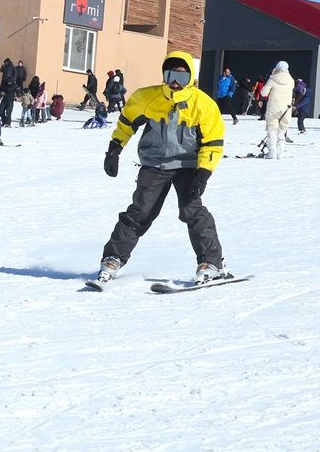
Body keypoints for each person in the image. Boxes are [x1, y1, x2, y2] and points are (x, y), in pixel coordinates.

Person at [95, 51, 227, 286]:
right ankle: (113, 257)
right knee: (141, 211)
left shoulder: (203, 104)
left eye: (182, 77)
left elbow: (213, 142)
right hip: (154, 164)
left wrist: (204, 173)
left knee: (192, 210)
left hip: (189, 166)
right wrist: (114, 149)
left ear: (191, 78)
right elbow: (126, 123)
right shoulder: (148, 97)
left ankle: (211, 262)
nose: (176, 82)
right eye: (170, 75)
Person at [260, 61, 295, 159]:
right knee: (282, 130)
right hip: (286, 109)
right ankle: (280, 152)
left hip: (274, 108)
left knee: (272, 130)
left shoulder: (273, 78)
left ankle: (272, 152)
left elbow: (263, 93)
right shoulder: (291, 80)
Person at [0, 58, 17, 127]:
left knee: (8, 112)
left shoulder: (12, 66)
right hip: (4, 81)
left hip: (10, 80)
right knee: (1, 111)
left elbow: (15, 73)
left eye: (5, 62)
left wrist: (13, 80)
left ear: (8, 62)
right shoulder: (5, 66)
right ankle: (3, 122)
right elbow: (1, 70)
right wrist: (3, 66)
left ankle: (7, 123)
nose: (5, 63)